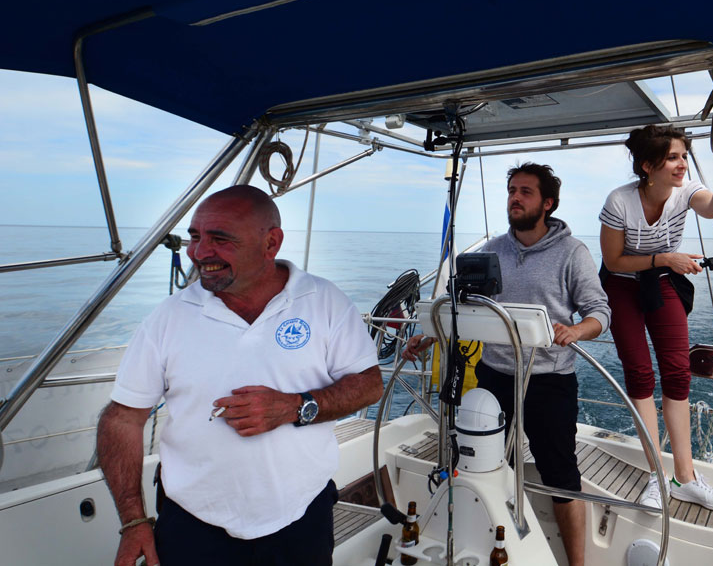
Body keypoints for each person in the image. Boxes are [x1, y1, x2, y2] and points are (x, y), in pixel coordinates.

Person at [96, 185, 383, 566]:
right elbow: (122, 419)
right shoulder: (169, 317)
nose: (199, 252)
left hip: (300, 518)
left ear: (271, 243)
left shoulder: (324, 301)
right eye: (195, 237)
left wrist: (295, 407)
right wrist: (134, 521)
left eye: (220, 239)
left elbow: (368, 385)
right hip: (193, 525)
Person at [405, 163, 609, 566]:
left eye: (525, 192)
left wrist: (575, 330)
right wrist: (429, 335)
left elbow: (600, 312)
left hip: (549, 381)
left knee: (561, 478)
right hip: (493, 377)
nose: (515, 198)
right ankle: (496, 548)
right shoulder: (490, 251)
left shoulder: (573, 253)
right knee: (486, 464)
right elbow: (461, 307)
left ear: (547, 203)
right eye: (512, 190)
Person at [599, 120, 713, 512]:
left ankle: (684, 478)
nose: (682, 164)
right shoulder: (619, 201)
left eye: (684, 156)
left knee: (677, 372)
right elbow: (613, 261)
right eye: (672, 157)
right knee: (639, 374)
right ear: (648, 166)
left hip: (661, 281)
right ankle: (657, 475)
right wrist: (666, 258)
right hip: (622, 283)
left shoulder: (686, 192)